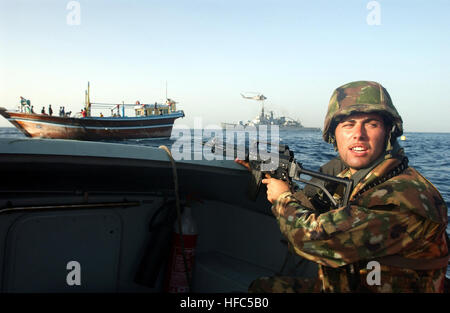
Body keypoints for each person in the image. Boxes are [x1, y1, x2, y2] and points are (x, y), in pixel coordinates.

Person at [237, 81, 449, 293]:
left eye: (371, 124)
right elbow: (318, 208)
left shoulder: (402, 197)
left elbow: (312, 240)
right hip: (347, 284)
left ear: (388, 133)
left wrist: (282, 197)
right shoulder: (358, 176)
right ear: (334, 134)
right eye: (348, 125)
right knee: (262, 288)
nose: (358, 134)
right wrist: (272, 176)